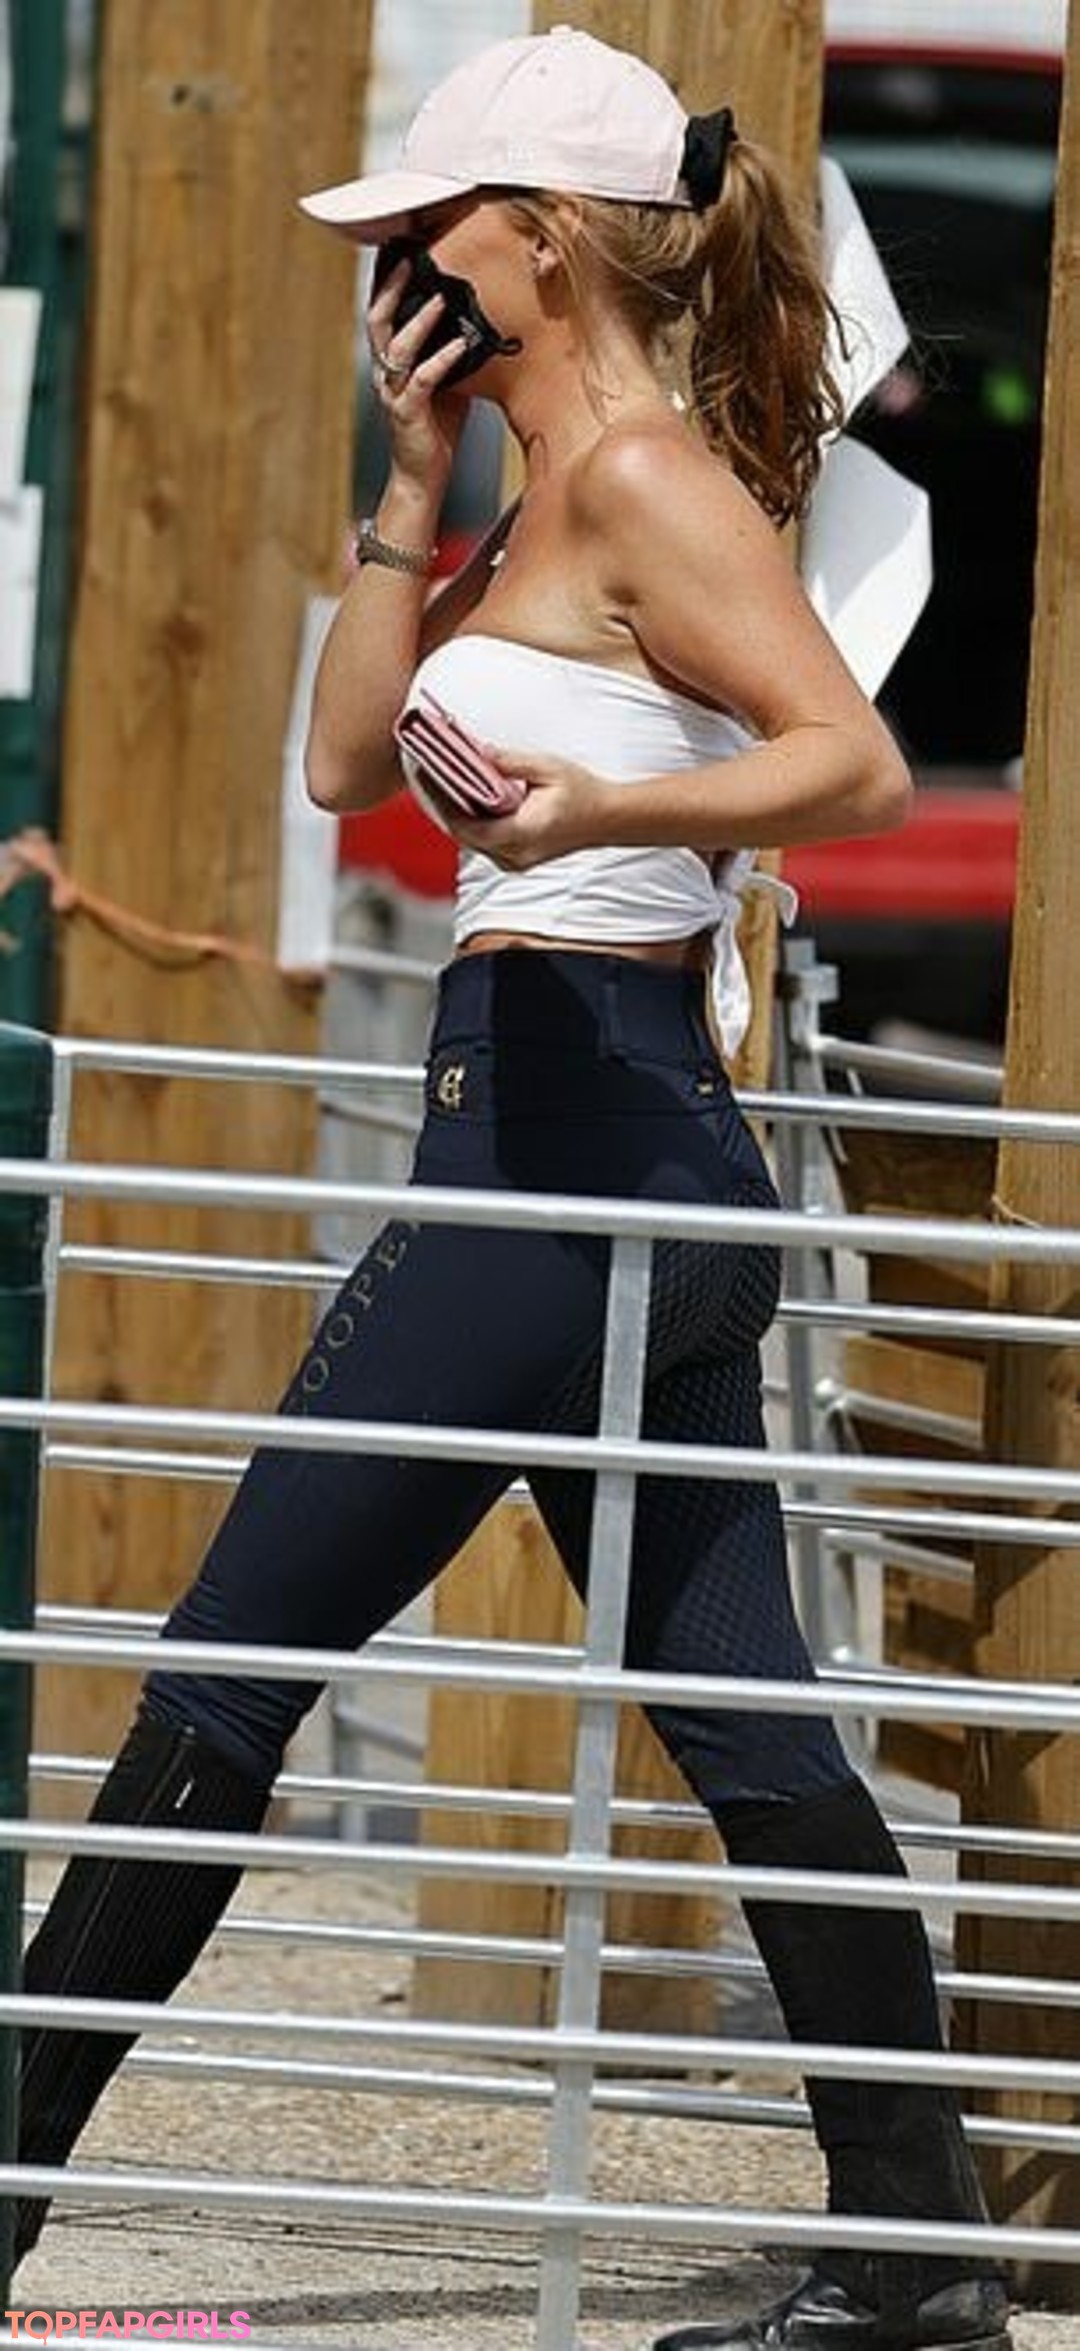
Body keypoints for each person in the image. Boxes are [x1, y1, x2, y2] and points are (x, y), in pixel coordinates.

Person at [14, 30, 1010, 2351]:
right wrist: (405, 481)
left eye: (425, 231)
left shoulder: (646, 476)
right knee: (749, 1723)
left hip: (567, 1144)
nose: (397, 267)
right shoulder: (530, 492)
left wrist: (601, 815)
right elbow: (342, 757)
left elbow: (852, 762)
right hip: (588, 1145)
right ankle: (922, 2249)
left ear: (541, 243)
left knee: (226, 1674)